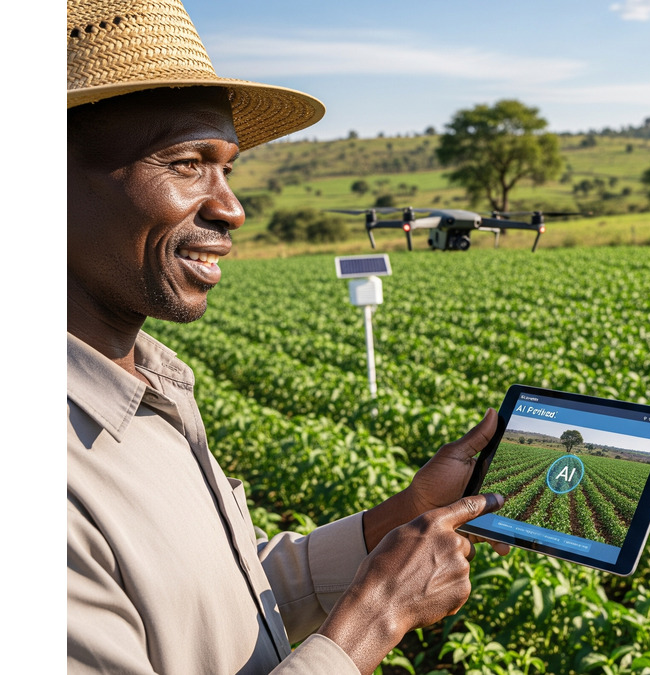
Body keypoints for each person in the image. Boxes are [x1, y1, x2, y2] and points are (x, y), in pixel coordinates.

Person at [66, 1, 508, 673]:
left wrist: (404, 515)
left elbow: (221, 590)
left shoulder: (146, 390)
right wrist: (374, 618)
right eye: (186, 163)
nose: (232, 208)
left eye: (228, 169)